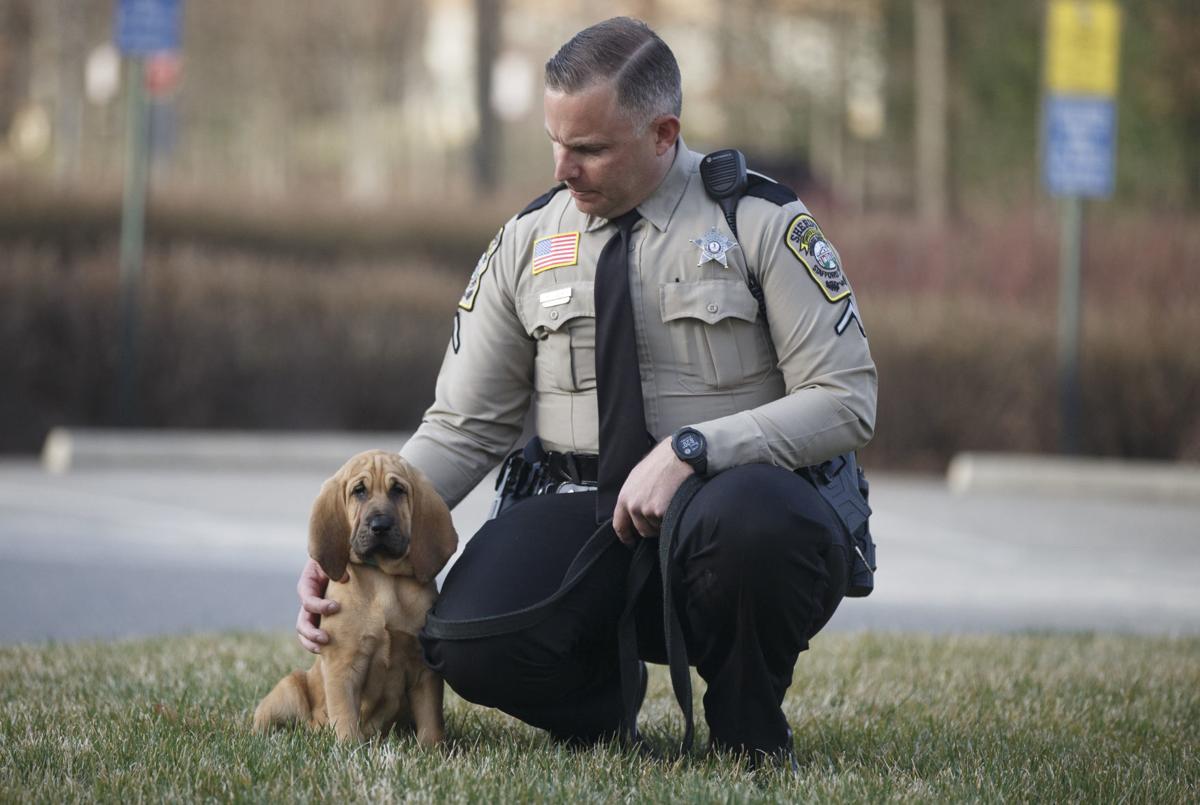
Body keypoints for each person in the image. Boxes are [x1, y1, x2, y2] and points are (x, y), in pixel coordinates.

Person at [296, 16, 876, 763]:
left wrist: (697, 450)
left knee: (756, 524)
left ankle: (748, 725)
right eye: (555, 143)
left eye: (591, 148)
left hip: (732, 509)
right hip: (583, 506)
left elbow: (847, 397)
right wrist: (354, 538)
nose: (564, 168)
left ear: (664, 133)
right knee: (464, 638)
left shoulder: (756, 220)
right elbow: (463, 425)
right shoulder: (530, 241)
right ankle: (606, 709)